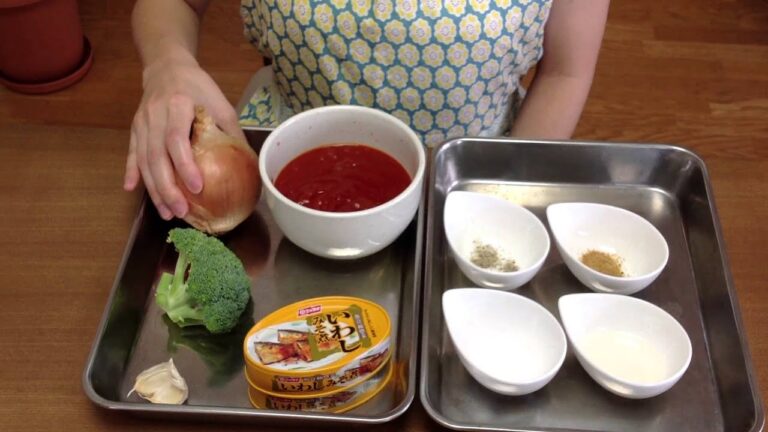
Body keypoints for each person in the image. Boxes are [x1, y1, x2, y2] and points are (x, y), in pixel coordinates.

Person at [124, 0, 609, 221]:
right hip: (280, 178)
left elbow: (566, 73)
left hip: (473, 184)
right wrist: (167, 62)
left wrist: (498, 195)